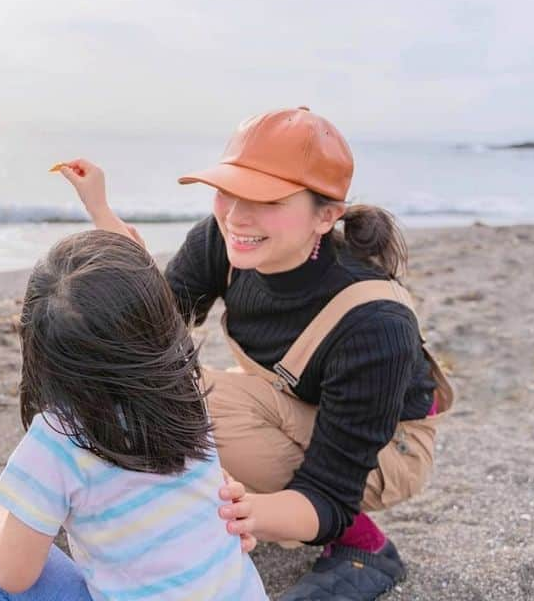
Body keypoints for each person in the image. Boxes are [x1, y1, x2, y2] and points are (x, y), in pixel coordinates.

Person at [55, 106, 454, 600]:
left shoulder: (375, 324)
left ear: (325, 216)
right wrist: (104, 216)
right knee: (143, 377)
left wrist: (239, 513)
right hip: (296, 402)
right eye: (229, 190)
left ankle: (366, 547)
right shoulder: (221, 238)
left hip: (389, 446)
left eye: (267, 199)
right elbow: (150, 328)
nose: (237, 216)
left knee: (194, 405)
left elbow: (328, 494)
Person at [0, 229, 268, 600]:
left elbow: (12, 575)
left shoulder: (57, 439)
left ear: (39, 353)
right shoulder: (185, 394)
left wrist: (2, 505)